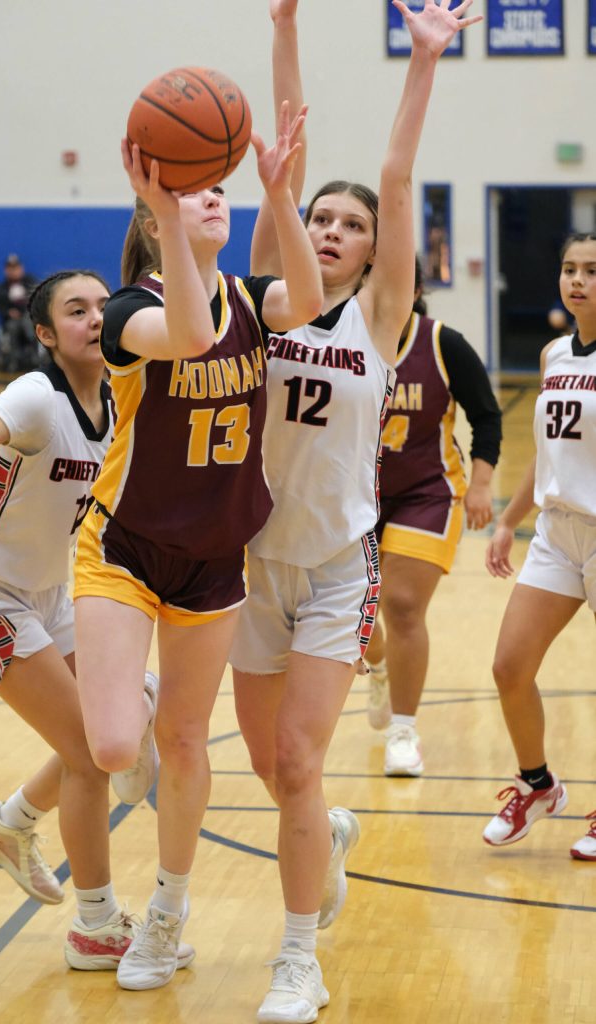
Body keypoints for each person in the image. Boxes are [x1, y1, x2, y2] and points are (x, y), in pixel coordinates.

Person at [230, 1, 483, 1021]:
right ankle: (321, 835)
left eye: (351, 225)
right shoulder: (268, 295)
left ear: (375, 252)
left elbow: (392, 177)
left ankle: (297, 959)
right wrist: (283, 25)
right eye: (319, 220)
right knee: (274, 773)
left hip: (338, 563)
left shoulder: (379, 318)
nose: (332, 230)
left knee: (297, 758)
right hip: (245, 564)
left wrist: (421, 63)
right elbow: (282, 148)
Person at [72, 102, 323, 994]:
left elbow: (317, 297)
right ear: (152, 215)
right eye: (193, 192)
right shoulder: (126, 315)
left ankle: (168, 913)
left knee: (182, 742)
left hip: (216, 556)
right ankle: (123, 678)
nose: (212, 200)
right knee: (110, 748)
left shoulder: (253, 301)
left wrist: (280, 195)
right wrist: (164, 216)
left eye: (220, 191)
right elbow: (188, 336)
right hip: (125, 547)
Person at [0, 270, 180, 971]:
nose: (95, 318)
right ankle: (95, 927)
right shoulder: (35, 398)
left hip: (53, 593)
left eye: (101, 306)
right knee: (94, 752)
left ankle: (12, 823)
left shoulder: (122, 404)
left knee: (133, 704)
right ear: (44, 333)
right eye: (75, 310)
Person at [361, 256, 501, 776]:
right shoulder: (342, 340)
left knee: (400, 606)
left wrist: (483, 485)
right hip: (354, 496)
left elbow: (487, 416)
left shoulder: (443, 343)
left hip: (427, 491)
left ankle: (404, 731)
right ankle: (377, 664)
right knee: (355, 614)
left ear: (416, 287)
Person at [483, 231, 596, 861]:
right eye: (569, 269)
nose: (576, 280)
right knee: (509, 667)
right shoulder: (556, 354)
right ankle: (537, 786)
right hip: (556, 533)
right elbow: (552, 451)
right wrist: (509, 518)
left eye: (591, 270)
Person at [0, 254, 39, 372]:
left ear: (21, 268)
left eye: (16, 268)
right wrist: (9, 312)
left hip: (28, 317)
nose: (13, 271)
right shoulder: (2, 288)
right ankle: (13, 360)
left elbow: (37, 301)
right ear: (6, 270)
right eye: (10, 268)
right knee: (13, 328)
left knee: (28, 324)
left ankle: (34, 356)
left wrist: (26, 310)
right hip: (11, 321)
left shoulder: (30, 282)